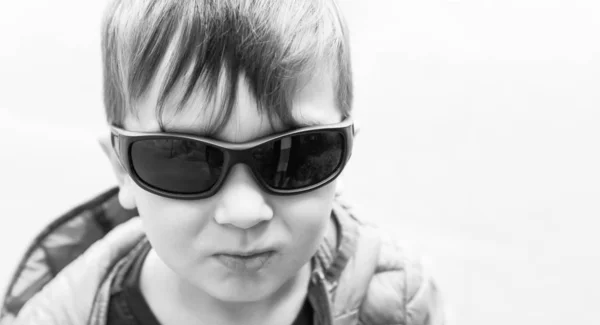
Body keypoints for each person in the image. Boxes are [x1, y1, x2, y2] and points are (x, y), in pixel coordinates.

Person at [1, 0, 445, 324]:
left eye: (297, 154)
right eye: (183, 158)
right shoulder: (62, 315)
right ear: (123, 171)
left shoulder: (397, 301)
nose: (245, 212)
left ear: (343, 155)